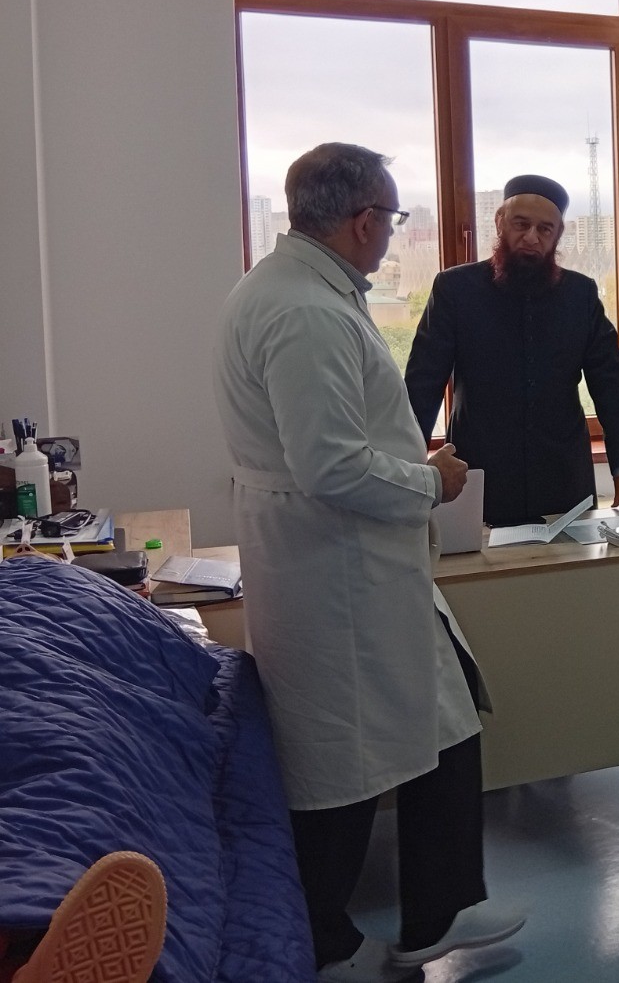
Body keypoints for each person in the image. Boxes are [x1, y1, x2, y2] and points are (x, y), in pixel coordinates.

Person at [214, 143, 521, 982]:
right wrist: (430, 479)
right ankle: (327, 945)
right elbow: (330, 466)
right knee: (341, 765)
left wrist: (407, 466)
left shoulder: (289, 288)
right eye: (392, 217)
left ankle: (438, 911)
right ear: (361, 221)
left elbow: (334, 440)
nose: (391, 232)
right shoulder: (305, 312)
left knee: (446, 717)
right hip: (337, 570)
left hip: (349, 562)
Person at [406, 174, 619, 527]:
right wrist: (408, 468)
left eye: (544, 229)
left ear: (558, 234)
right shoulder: (456, 289)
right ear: (500, 222)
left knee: (568, 563)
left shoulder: (580, 295)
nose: (532, 237)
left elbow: (611, 385)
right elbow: (423, 384)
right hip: (476, 476)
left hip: (563, 478)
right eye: (521, 225)